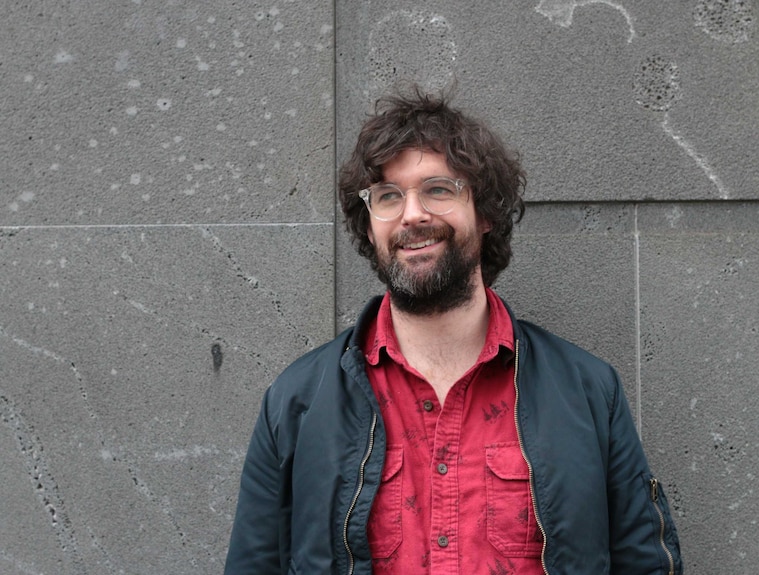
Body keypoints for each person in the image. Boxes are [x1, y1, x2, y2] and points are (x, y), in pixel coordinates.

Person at [223, 88, 683, 575]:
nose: (413, 213)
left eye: (438, 189)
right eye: (388, 196)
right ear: (370, 222)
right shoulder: (296, 402)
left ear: (484, 214)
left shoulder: (589, 392)